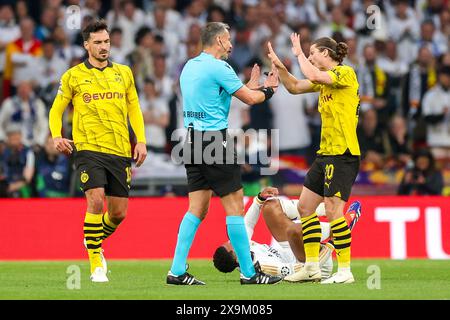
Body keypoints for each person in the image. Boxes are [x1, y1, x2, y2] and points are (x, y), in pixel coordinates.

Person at [167, 22, 281, 286]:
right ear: (218, 40)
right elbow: (250, 100)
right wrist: (269, 90)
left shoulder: (190, 67)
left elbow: (215, 98)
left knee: (196, 209)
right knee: (234, 209)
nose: (231, 45)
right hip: (215, 141)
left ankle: (176, 270)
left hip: (192, 141)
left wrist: (246, 86)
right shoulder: (220, 67)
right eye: (228, 40)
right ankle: (249, 273)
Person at [48, 20, 147, 283]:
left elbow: (134, 108)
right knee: (95, 198)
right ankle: (96, 264)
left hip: (119, 150)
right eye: (98, 42)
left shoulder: (124, 73)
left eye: (106, 42)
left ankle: (91, 239)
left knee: (118, 213)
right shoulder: (73, 76)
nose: (104, 47)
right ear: (86, 45)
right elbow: (57, 109)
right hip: (88, 149)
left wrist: (141, 140)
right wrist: (57, 135)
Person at [268, 34, 360, 284]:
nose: (309, 58)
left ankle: (345, 271)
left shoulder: (345, 74)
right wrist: (282, 68)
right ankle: (311, 266)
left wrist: (298, 53)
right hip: (324, 153)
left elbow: (314, 76)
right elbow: (295, 86)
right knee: (305, 207)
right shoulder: (324, 82)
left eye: (312, 54)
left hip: (343, 154)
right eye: (307, 55)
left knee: (332, 210)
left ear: (326, 55)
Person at [213, 187, 362, 280]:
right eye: (230, 244)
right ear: (236, 256)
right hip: (313, 264)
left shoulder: (243, 248)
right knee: (294, 230)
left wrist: (259, 199)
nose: (231, 240)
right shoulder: (263, 266)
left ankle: (320, 209)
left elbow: (248, 224)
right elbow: (301, 270)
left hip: (291, 249)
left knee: (269, 206)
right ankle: (339, 228)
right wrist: (331, 244)